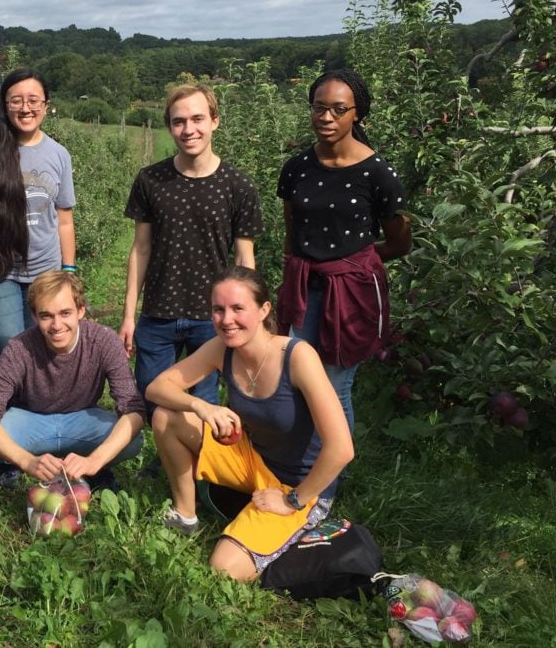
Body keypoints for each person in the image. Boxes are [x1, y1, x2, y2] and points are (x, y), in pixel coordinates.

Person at [149, 266, 354, 582]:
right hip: (252, 461)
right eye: (218, 309)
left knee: (223, 568)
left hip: (299, 485)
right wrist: (200, 405)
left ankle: (301, 527)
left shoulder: (297, 357)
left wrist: (291, 501)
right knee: (166, 416)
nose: (226, 319)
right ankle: (185, 516)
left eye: (237, 308)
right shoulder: (223, 349)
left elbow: (341, 449)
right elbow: (157, 387)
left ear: (264, 310)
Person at [276, 69, 412, 429]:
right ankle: (299, 460)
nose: (326, 118)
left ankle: (331, 479)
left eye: (338, 109)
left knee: (335, 385)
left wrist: (353, 264)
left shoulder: (377, 173)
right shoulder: (296, 168)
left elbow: (401, 241)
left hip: (351, 292)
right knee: (295, 377)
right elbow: (293, 236)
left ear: (357, 113)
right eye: (318, 108)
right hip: (304, 287)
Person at [119, 83, 264, 412]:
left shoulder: (237, 185)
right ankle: (165, 462)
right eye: (178, 121)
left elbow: (244, 258)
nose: (189, 129)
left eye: (197, 119)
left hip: (212, 316)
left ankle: (200, 464)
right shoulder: (150, 180)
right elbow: (140, 249)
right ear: (170, 126)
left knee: (204, 403)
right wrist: (129, 315)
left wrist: (247, 316)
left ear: (215, 121)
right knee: (153, 400)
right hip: (157, 313)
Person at [0, 271, 144, 488]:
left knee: (132, 440)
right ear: (34, 316)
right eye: (46, 316)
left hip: (82, 418)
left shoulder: (104, 341)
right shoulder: (19, 348)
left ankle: (95, 470)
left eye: (65, 313)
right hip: (31, 419)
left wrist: (94, 460)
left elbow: (133, 410)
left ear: (80, 311)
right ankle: (15, 464)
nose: (56, 325)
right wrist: (27, 461)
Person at [0, 69, 76, 361]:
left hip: (46, 270)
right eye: (17, 101)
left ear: (47, 105)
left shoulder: (58, 154)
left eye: (34, 100)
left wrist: (69, 272)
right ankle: (9, 405)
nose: (26, 108)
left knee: (47, 345)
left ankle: (42, 405)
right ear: (4, 105)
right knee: (9, 346)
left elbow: (64, 219)